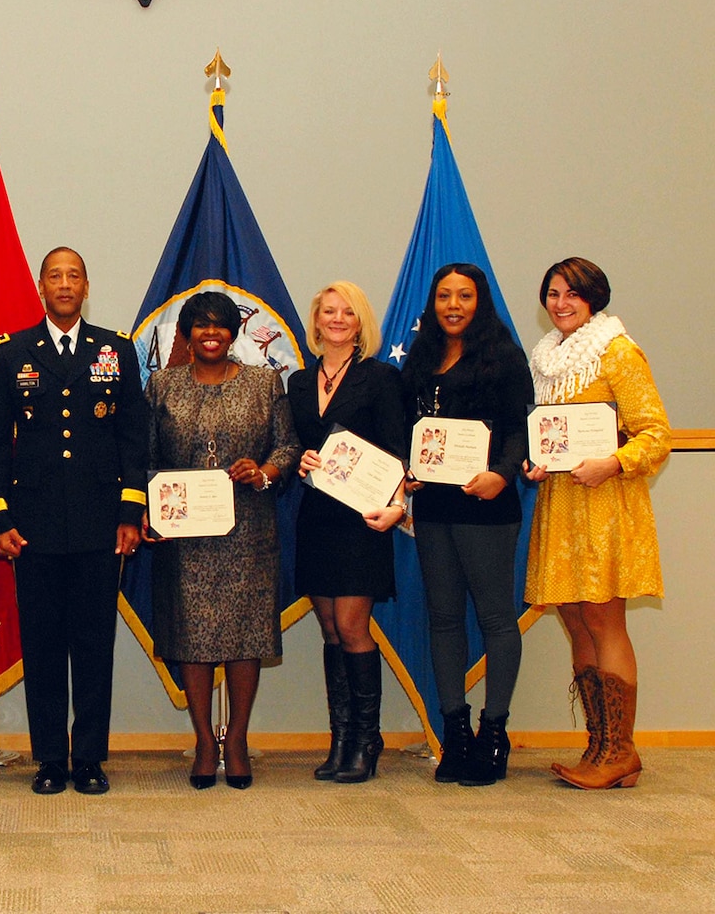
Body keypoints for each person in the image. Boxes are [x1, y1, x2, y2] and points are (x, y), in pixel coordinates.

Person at [0, 247, 149, 796]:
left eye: (75, 275)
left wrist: (130, 512)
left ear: (87, 285)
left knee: (95, 646)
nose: (66, 284)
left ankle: (90, 758)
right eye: (56, 276)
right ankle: (50, 758)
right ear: (41, 286)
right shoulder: (10, 353)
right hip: (33, 526)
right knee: (45, 646)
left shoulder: (116, 350)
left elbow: (132, 439)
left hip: (101, 525)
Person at [522, 257, 669, 789]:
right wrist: (534, 463)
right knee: (576, 622)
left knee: (605, 622)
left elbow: (655, 434)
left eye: (573, 295)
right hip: (561, 505)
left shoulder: (617, 352)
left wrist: (612, 462)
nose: (561, 304)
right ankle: (600, 747)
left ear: (594, 298)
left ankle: (620, 751)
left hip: (606, 506)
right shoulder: (546, 359)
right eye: (554, 293)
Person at [142, 290, 298, 790]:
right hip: (185, 533)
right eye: (201, 326)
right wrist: (154, 505)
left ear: (234, 333)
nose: (211, 334)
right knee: (193, 637)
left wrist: (265, 471)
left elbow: (288, 444)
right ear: (186, 333)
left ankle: (238, 741)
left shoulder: (263, 382)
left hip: (247, 530)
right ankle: (205, 742)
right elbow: (144, 457)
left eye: (220, 325)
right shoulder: (162, 385)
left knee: (245, 635)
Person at [399, 265, 533, 786]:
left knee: (498, 618)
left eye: (465, 296)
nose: (453, 305)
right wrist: (407, 472)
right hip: (434, 506)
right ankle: (454, 730)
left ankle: (493, 731)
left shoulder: (503, 354)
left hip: (487, 505)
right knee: (445, 618)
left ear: (481, 301)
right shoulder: (423, 356)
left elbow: (523, 424)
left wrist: (502, 474)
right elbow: (412, 429)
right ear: (433, 303)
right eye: (444, 296)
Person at [288, 281, 406, 784]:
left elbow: (400, 450)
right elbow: (290, 445)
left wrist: (398, 506)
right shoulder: (296, 381)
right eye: (328, 311)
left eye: (348, 313)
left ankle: (366, 739)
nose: (337, 319)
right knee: (329, 629)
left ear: (361, 323)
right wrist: (300, 459)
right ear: (316, 321)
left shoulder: (381, 378)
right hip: (316, 517)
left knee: (353, 627)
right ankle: (340, 740)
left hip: (362, 521)